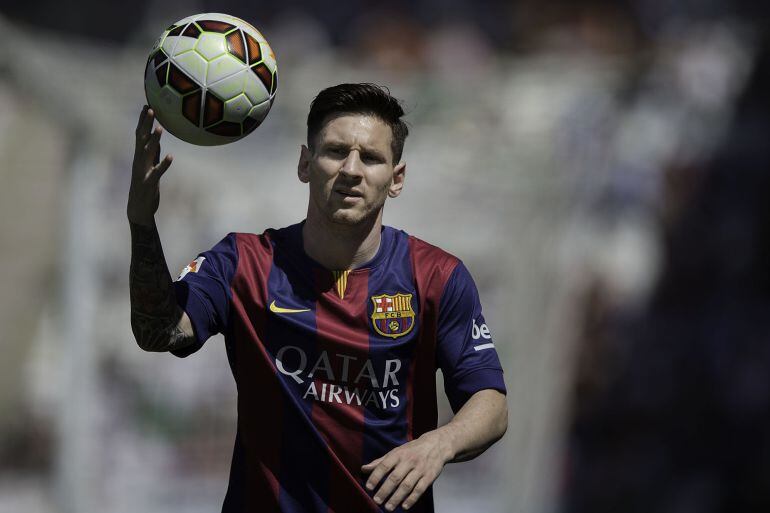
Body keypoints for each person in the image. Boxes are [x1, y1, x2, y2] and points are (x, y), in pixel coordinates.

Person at [128, 83, 508, 513]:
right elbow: (158, 331)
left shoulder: (437, 277)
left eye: (371, 157)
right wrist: (142, 223)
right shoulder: (243, 263)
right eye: (335, 151)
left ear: (396, 178)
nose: (351, 169)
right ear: (305, 164)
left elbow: (491, 404)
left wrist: (440, 443)